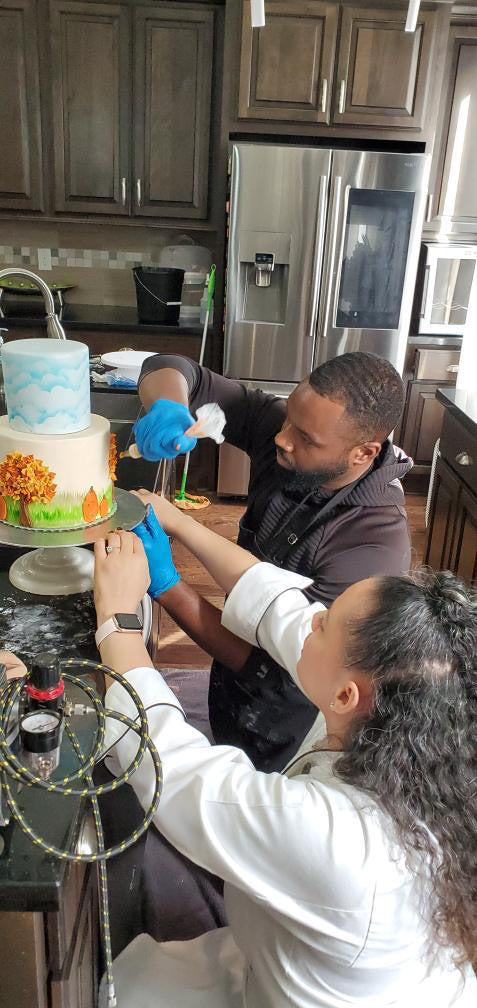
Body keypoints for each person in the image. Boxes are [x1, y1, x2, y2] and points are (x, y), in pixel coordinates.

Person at [90, 506, 477, 1007]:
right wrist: (181, 525)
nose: (312, 617)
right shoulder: (407, 726)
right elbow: (281, 610)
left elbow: (180, 772)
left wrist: (116, 621)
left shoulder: (347, 846)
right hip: (291, 960)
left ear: (345, 696)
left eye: (326, 623)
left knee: (124, 991)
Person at [135, 351, 413, 772]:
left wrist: (170, 588)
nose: (282, 438)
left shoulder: (373, 548)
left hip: (283, 727)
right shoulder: (289, 435)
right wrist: (169, 404)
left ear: (364, 452)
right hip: (229, 690)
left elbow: (273, 669)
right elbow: (171, 366)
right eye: (288, 421)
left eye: (306, 439)